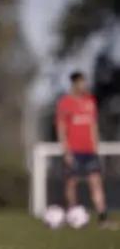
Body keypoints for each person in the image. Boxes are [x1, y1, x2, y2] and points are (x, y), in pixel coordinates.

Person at [56, 71, 116, 229]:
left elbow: (93, 125)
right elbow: (61, 127)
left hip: (89, 151)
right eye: (81, 83)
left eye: (85, 82)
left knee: (96, 183)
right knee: (71, 183)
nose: (84, 85)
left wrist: (96, 146)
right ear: (74, 84)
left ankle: (103, 219)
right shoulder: (65, 103)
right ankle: (72, 216)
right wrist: (66, 150)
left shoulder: (90, 101)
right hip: (73, 150)